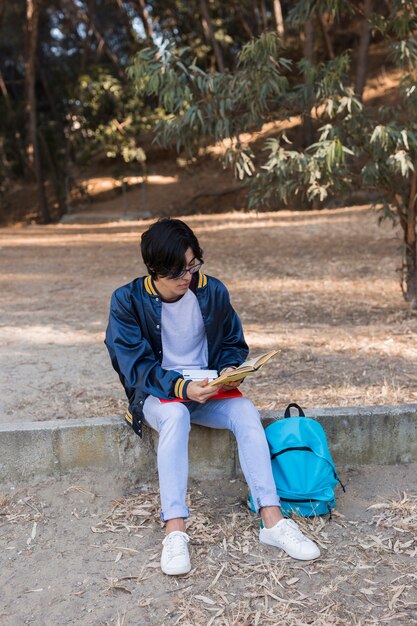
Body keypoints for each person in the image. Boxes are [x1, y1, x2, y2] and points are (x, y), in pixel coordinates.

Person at [105, 217, 320, 576]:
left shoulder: (212, 291)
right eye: (177, 271)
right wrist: (181, 388)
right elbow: (134, 366)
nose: (187, 277)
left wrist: (226, 372)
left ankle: (273, 521)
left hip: (207, 391)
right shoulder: (127, 300)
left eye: (192, 266)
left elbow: (233, 344)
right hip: (159, 395)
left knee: (246, 412)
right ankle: (175, 530)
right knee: (176, 417)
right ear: (154, 269)